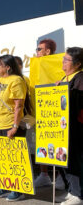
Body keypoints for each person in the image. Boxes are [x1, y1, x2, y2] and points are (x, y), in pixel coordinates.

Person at [0, 54, 31, 201]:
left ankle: (18, 189)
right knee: (1, 159)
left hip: (10, 124)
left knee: (14, 159)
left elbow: (19, 106)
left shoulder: (17, 80)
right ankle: (4, 185)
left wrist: (15, 127)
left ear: (8, 67)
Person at [34, 38, 67, 190]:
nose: (36, 52)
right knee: (41, 143)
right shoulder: (36, 65)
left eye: (39, 49)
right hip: (40, 109)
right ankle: (44, 175)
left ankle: (61, 175)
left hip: (56, 110)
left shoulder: (58, 62)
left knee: (60, 142)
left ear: (48, 51)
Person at [55, 47, 83, 205]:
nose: (63, 62)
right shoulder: (66, 77)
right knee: (64, 160)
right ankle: (72, 191)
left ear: (78, 64)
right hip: (63, 128)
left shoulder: (80, 78)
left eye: (66, 60)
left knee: (73, 161)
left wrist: (64, 92)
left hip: (75, 128)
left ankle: (78, 194)